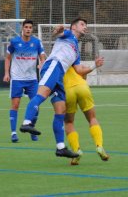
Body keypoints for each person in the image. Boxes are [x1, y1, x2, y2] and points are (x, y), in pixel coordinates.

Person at [19, 17, 96, 159]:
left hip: (60, 75)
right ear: (74, 27)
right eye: (82, 24)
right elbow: (58, 33)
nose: (85, 27)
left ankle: (60, 147)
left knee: (61, 110)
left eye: (86, 25)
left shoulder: (76, 50)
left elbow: (78, 69)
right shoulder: (68, 34)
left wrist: (94, 65)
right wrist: (58, 30)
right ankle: (27, 122)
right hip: (53, 66)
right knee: (42, 94)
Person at [3, 19, 46, 143]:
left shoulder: (37, 42)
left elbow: (42, 56)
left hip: (32, 79)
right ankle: (13, 133)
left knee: (36, 106)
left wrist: (42, 63)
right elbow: (7, 58)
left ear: (32, 29)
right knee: (15, 105)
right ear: (22, 28)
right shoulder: (14, 42)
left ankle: (31, 129)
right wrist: (6, 73)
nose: (28, 29)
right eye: (26, 27)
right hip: (17, 78)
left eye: (30, 27)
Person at [64, 65, 109, 165]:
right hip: (82, 87)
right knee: (92, 118)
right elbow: (83, 73)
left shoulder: (56, 63)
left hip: (68, 91)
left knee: (69, 122)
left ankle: (76, 151)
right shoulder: (73, 59)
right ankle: (99, 146)